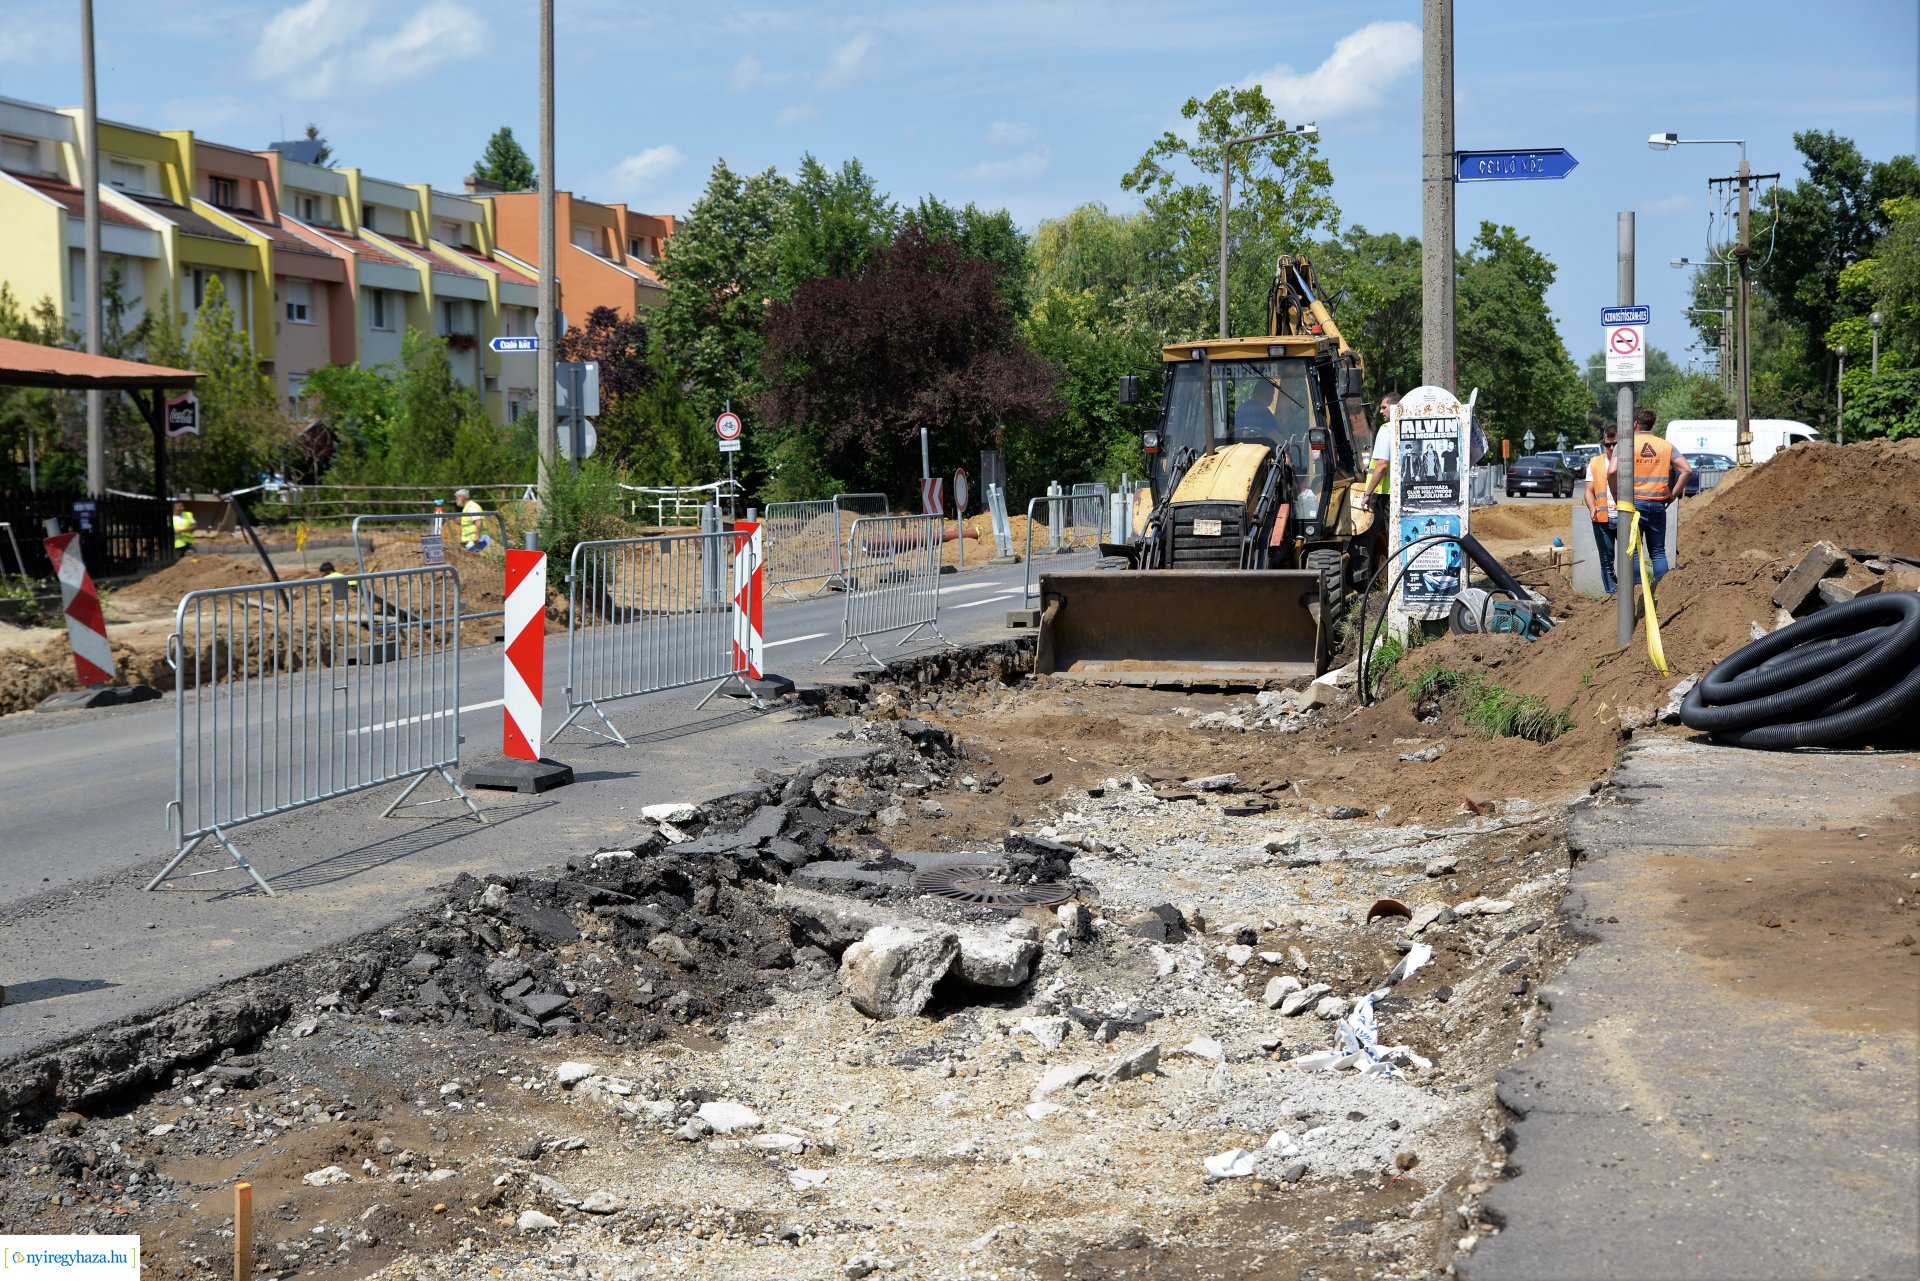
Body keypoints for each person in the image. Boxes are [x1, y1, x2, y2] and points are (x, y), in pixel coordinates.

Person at [1628, 407, 1693, 580]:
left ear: (1635, 424)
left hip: (1633, 504)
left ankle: (1635, 593)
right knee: (1657, 551)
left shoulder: (1628, 444)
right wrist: (1673, 495)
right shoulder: (1665, 446)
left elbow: (1612, 471)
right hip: (1657, 504)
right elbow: (1687, 470)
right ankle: (1662, 593)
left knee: (1634, 552)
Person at [1583, 427, 1620, 593]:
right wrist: (1592, 508)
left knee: (1631, 557)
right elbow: (1588, 490)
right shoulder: (1595, 463)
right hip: (1602, 519)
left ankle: (1633, 592)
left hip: (1625, 517)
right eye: (1608, 445)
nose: (1612, 448)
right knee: (1606, 561)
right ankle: (1612, 595)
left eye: (1616, 444)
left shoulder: (1629, 461)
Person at [1357, 392, 1401, 513]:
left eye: (1384, 407)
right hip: (1406, 493)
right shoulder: (1408, 427)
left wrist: (1367, 494)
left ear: (1395, 407)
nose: (1381, 411)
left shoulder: (1386, 429)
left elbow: (1382, 465)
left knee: (1390, 531)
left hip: (1388, 494)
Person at [454, 487, 491, 552]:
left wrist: (476, 536)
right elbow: (471, 522)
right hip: (475, 541)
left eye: (457, 497)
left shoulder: (471, 507)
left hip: (478, 541)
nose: (456, 500)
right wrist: (460, 521)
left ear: (461, 497)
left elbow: (478, 521)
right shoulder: (467, 507)